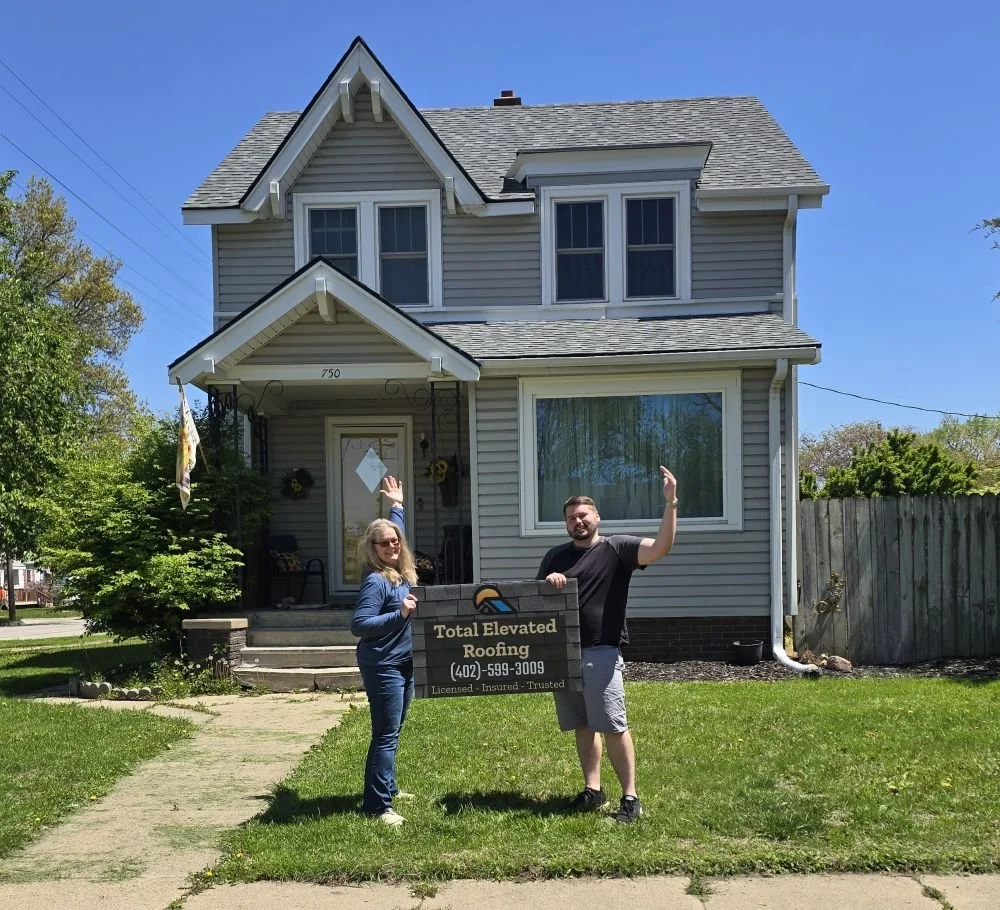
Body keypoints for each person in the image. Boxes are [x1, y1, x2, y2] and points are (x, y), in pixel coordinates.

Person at [536, 466, 678, 824]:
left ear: (597, 517)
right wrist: (548, 583)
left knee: (613, 725)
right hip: (564, 652)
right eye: (571, 518)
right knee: (583, 725)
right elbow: (535, 602)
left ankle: (630, 797)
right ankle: (593, 790)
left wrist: (671, 502)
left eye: (583, 515)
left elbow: (661, 548)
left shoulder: (618, 549)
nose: (577, 522)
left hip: (602, 650)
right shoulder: (555, 557)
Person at [351, 475, 419, 827]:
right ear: (373, 549)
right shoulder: (377, 580)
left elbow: (396, 530)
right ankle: (378, 806)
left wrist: (398, 507)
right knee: (385, 734)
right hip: (382, 664)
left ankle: (388, 787)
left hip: (403, 661)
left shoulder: (400, 571)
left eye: (395, 541)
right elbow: (359, 626)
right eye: (384, 544)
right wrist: (400, 613)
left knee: (395, 728)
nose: (391, 547)